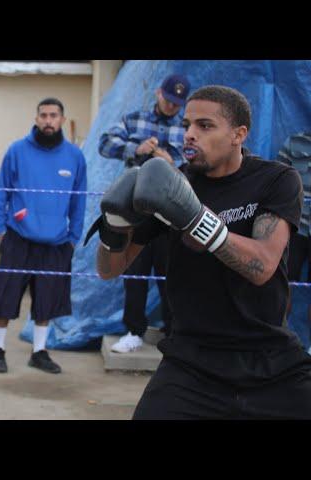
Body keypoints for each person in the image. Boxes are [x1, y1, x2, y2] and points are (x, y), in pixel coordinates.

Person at [89, 85, 311, 419]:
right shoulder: (174, 186)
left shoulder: (276, 180)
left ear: (239, 134)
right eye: (188, 124)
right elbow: (110, 269)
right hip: (191, 362)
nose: (189, 135)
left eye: (204, 126)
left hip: (267, 358)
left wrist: (195, 219)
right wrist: (114, 227)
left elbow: (262, 265)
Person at [0, 98, 87, 374]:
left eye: (53, 115)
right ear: (36, 118)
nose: (48, 121)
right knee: (5, 298)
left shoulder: (75, 157)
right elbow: (2, 191)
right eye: (43, 115)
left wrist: (73, 238)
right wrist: (1, 230)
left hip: (56, 242)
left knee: (47, 301)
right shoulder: (17, 151)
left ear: (62, 120)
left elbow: (80, 201)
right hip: (18, 237)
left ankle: (39, 352)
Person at [98, 74, 191, 353]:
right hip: (135, 209)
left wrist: (171, 162)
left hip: (169, 212)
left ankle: (173, 333)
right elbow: (104, 144)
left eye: (178, 104)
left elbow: (197, 164)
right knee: (134, 271)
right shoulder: (134, 119)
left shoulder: (187, 130)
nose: (172, 107)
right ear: (158, 94)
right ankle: (133, 332)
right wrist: (134, 148)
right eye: (168, 100)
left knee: (171, 273)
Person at [276, 132, 311, 333]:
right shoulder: (295, 141)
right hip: (294, 227)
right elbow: (278, 178)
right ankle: (277, 338)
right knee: (282, 285)